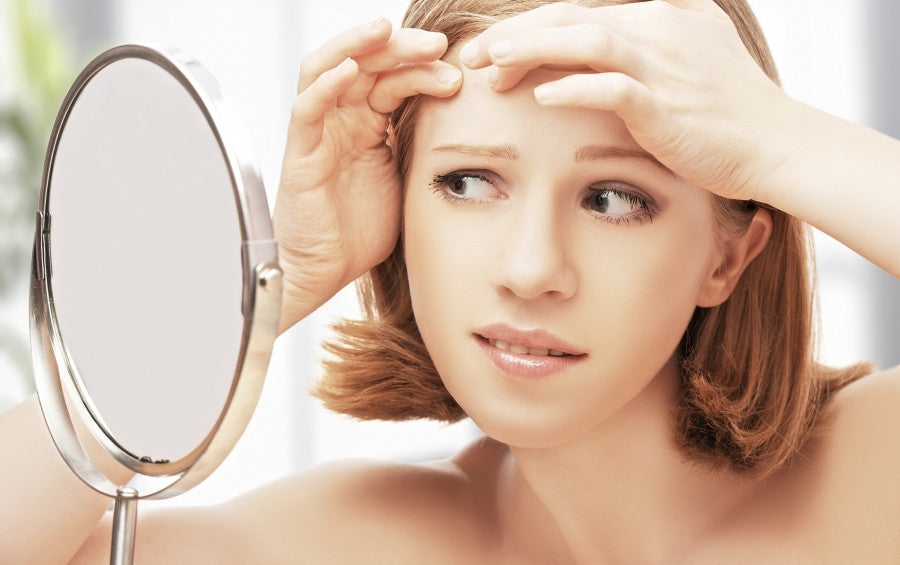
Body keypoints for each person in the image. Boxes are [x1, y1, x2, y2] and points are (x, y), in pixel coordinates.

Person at [2, 0, 899, 562]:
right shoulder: (368, 541)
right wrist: (263, 283)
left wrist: (782, 139)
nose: (531, 268)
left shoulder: (872, 472)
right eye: (468, 182)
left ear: (727, 256)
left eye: (615, 198)